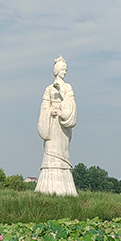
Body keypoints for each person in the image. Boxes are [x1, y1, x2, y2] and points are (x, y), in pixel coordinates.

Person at [35, 56, 78, 196]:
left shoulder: (67, 87)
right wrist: (49, 111)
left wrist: (61, 99)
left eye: (66, 70)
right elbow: (44, 106)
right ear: (56, 70)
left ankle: (65, 189)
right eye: (62, 70)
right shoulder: (48, 89)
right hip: (52, 124)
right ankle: (46, 188)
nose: (64, 73)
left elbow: (71, 104)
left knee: (62, 153)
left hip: (62, 125)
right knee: (50, 151)